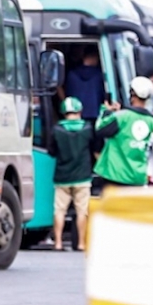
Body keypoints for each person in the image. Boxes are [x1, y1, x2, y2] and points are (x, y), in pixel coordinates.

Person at [92, 76, 153, 188]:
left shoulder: (121, 117)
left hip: (115, 176)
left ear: (132, 94)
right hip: (139, 178)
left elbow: (100, 129)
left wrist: (106, 111)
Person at [47, 97, 94, 252]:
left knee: (59, 210)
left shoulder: (57, 130)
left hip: (62, 177)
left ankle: (58, 243)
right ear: (79, 111)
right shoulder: (88, 128)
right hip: (83, 177)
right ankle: (81, 243)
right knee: (82, 211)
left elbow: (51, 152)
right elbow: (94, 149)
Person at [59, 44, 106, 123]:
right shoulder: (99, 75)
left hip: (75, 114)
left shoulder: (71, 74)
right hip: (95, 114)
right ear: (95, 56)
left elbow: (67, 93)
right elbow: (103, 95)